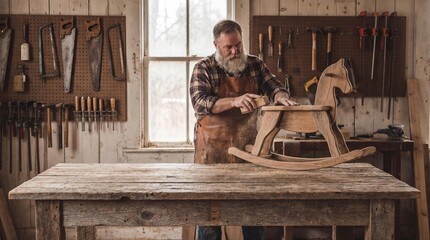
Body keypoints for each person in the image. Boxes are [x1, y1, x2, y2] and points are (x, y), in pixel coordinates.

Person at [189, 19, 298, 240]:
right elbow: (199, 102)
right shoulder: (203, 67)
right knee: (210, 216)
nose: (235, 51)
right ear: (216, 45)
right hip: (212, 152)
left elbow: (276, 86)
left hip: (248, 150)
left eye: (238, 44)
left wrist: (282, 98)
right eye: (228, 47)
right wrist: (234, 101)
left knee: (253, 213)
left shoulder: (255, 64)